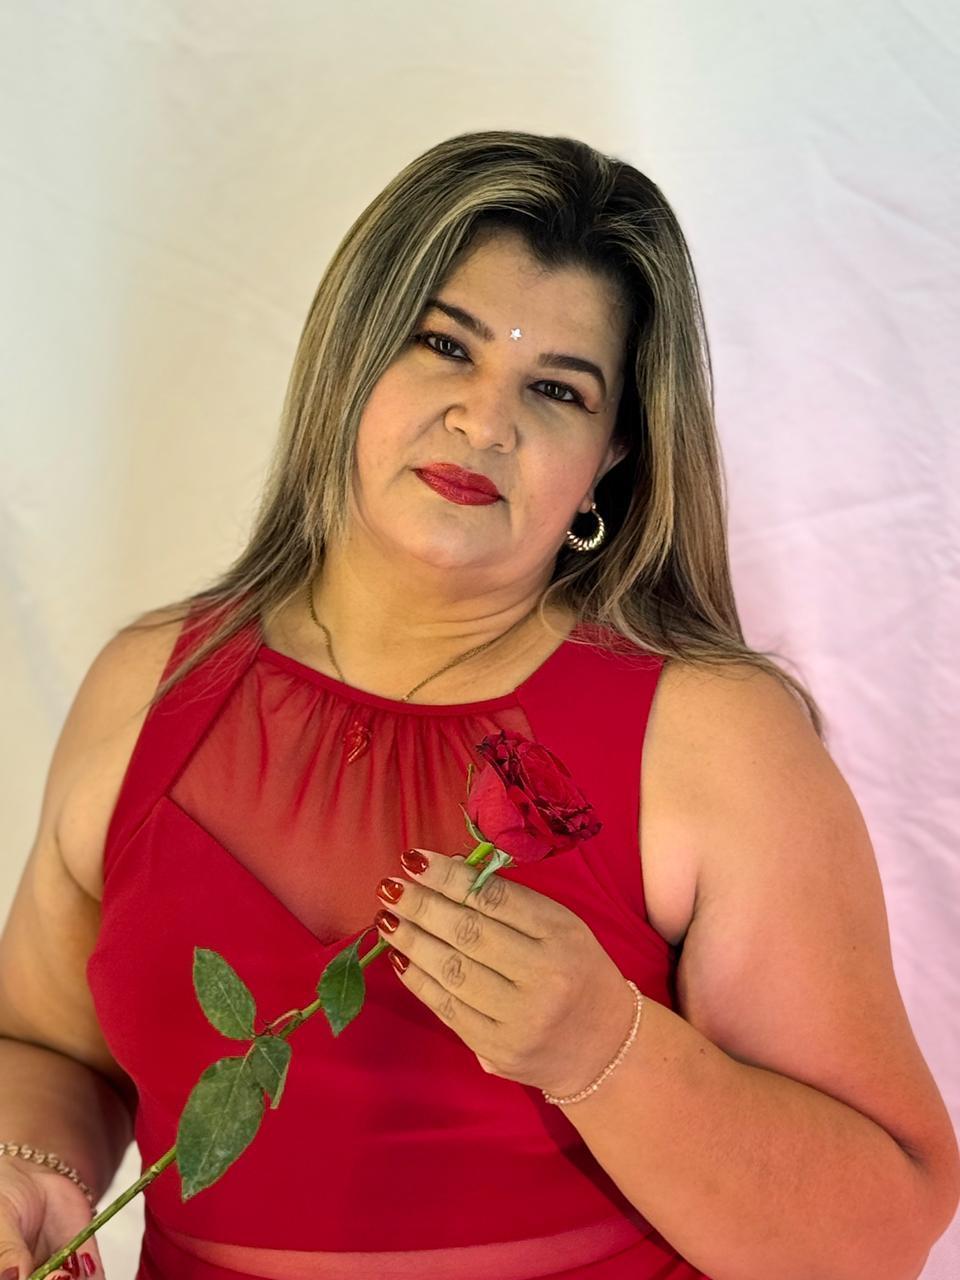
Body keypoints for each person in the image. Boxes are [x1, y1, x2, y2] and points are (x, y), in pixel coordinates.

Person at [1, 129, 957, 1280]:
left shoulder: (713, 737)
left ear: (610, 457)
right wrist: (27, 1171)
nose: (485, 419)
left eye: (556, 389)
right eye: (445, 344)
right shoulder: (149, 683)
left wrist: (608, 1051)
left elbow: (882, 1229)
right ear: (352, 357)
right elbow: (49, 1046)